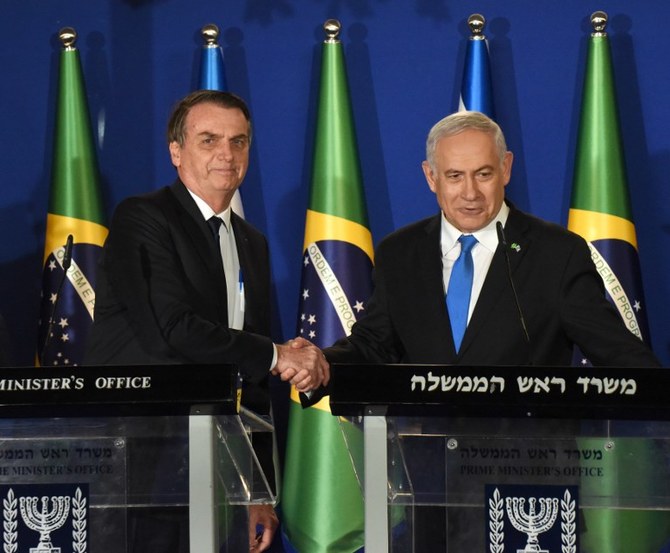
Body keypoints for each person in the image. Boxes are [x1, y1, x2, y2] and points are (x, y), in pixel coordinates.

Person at [85, 90, 329, 552]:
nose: (226, 154)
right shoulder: (144, 218)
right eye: (209, 140)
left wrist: (257, 489)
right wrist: (278, 355)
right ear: (176, 151)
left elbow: (251, 381)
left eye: (239, 141)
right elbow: (172, 329)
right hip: (140, 466)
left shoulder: (251, 242)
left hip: (217, 478)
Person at [321, 110, 660, 368]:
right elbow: (374, 345)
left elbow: (618, 353)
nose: (470, 193)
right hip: (421, 440)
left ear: (506, 168)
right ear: (431, 177)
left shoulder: (556, 254)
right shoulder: (399, 253)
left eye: (483, 174)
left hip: (525, 442)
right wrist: (321, 364)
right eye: (455, 176)